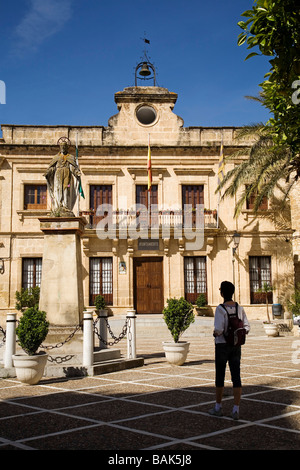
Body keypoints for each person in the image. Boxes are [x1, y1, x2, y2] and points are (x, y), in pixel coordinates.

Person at [209, 281, 250, 420]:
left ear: (222, 293)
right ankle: (236, 409)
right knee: (236, 376)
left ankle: (218, 407)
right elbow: (247, 327)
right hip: (236, 345)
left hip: (222, 346)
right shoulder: (240, 308)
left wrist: (215, 333)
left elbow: (219, 329)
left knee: (220, 376)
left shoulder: (220, 309)